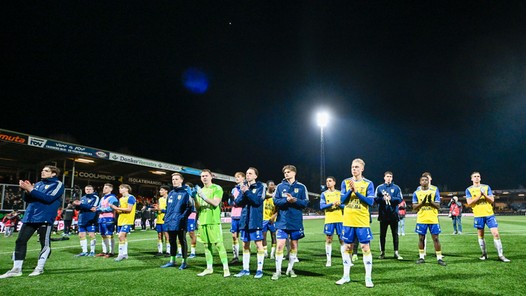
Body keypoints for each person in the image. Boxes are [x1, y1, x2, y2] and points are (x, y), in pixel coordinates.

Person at [0, 165, 65, 278]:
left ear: (53, 174)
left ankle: (39, 268)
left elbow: (48, 198)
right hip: (31, 216)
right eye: (42, 170)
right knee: (20, 241)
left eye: (46, 171)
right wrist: (27, 190)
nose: (42, 172)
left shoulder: (58, 184)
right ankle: (16, 269)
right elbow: (28, 199)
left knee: (44, 243)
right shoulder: (39, 184)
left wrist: (31, 189)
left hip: (45, 216)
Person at [336, 158, 375, 288]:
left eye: (357, 167)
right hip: (347, 221)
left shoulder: (368, 183)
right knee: (347, 248)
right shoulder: (345, 182)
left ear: (362, 169)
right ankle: (346, 276)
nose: (354, 169)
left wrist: (356, 192)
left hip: (362, 221)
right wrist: (350, 190)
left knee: (365, 248)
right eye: (353, 167)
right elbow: (342, 200)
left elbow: (370, 202)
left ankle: (368, 278)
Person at [272, 165, 309, 280]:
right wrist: (286, 200)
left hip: (295, 222)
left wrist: (295, 200)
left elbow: (305, 203)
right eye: (285, 173)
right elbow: (275, 201)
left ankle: (290, 269)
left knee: (294, 245)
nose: (286, 174)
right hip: (282, 222)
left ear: (294, 173)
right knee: (280, 246)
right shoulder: (279, 187)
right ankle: (278, 271)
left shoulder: (302, 187)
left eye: (288, 172)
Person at [466, 172, 510, 262]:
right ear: (471, 179)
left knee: (496, 234)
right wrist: (479, 196)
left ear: (480, 178)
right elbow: (469, 203)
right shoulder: (469, 189)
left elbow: (492, 200)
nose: (476, 178)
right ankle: (484, 254)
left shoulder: (486, 187)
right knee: (481, 236)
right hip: (478, 215)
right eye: (475, 177)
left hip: (489, 214)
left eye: (478, 176)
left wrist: (484, 195)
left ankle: (501, 255)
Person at [193, 169, 230, 277]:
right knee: (206, 245)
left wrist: (202, 196)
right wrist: (194, 198)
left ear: (211, 177)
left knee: (219, 244)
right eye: (202, 176)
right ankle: (209, 268)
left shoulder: (217, 188)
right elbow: (198, 208)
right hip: (202, 220)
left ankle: (226, 268)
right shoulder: (201, 190)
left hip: (213, 221)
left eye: (206, 176)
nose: (204, 177)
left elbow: (215, 203)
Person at [234, 167, 266, 279]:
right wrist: (243, 191)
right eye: (247, 173)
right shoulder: (243, 187)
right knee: (245, 245)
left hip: (255, 220)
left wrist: (247, 191)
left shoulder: (261, 187)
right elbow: (237, 202)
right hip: (244, 220)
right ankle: (245, 269)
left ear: (255, 176)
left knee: (258, 245)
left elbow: (257, 201)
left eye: (250, 173)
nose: (248, 175)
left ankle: (259, 270)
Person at [160, 173, 193, 269]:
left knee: (182, 241)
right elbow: (168, 207)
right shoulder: (170, 193)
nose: (174, 181)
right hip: (170, 221)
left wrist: (182, 217)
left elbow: (190, 207)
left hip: (180, 221)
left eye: (176, 179)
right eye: (173, 179)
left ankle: (184, 262)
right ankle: (172, 260)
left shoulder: (186, 193)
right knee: (171, 241)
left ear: (181, 180)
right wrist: (166, 217)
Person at [413, 175, 446, 266]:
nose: (424, 181)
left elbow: (438, 206)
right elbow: (414, 207)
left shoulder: (434, 191)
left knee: (435, 238)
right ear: (420, 182)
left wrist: (430, 202)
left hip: (433, 219)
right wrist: (422, 203)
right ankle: (421, 257)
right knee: (421, 238)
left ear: (429, 182)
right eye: (422, 180)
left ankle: (439, 258)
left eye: (426, 180)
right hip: (421, 219)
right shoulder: (416, 193)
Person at [375, 171, 403, 260]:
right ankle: (382, 252)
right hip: (383, 215)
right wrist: (383, 199)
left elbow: (400, 199)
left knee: (395, 235)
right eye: (387, 176)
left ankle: (396, 253)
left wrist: (391, 198)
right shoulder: (379, 188)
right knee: (382, 235)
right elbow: (375, 199)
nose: (389, 178)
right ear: (384, 177)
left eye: (390, 176)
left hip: (394, 215)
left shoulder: (396, 188)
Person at [319, 176, 344, 267]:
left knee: (342, 239)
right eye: (327, 181)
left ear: (334, 182)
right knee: (329, 239)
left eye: (330, 181)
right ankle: (328, 260)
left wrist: (339, 205)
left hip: (340, 219)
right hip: (329, 220)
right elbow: (321, 206)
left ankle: (345, 259)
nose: (328, 183)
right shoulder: (324, 194)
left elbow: (345, 206)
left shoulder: (340, 193)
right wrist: (332, 204)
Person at [110, 184, 137, 262]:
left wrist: (117, 208)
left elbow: (129, 209)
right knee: (123, 237)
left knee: (120, 236)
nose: (120, 189)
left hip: (128, 220)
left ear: (127, 189)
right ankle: (125, 254)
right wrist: (114, 208)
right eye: (119, 188)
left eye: (121, 188)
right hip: (121, 220)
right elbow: (119, 211)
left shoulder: (131, 197)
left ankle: (120, 255)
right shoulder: (121, 199)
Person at [73, 185, 100, 257]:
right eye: (87, 189)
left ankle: (92, 251)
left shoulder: (95, 198)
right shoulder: (82, 198)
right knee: (81, 235)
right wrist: (76, 205)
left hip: (91, 219)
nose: (88, 190)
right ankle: (84, 251)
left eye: (90, 189)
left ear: (93, 190)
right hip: (82, 219)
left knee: (91, 235)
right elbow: (78, 209)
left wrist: (81, 204)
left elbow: (93, 208)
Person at [96, 183, 119, 258]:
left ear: (110, 189)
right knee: (103, 235)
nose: (104, 189)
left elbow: (112, 208)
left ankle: (111, 252)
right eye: (104, 187)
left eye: (106, 188)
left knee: (109, 234)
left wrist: (100, 209)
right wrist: (98, 209)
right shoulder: (102, 198)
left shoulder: (113, 198)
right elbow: (99, 206)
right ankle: (104, 251)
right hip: (101, 218)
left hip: (109, 218)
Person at [229, 172, 245, 264]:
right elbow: (231, 203)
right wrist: (231, 199)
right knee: (234, 236)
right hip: (234, 216)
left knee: (244, 238)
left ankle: (246, 256)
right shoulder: (233, 189)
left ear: (243, 178)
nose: (237, 178)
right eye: (236, 177)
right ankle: (236, 257)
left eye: (238, 177)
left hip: (242, 216)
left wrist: (235, 201)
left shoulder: (245, 188)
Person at [262, 180, 277, 259]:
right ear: (267, 186)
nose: (273, 186)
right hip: (264, 219)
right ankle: (265, 252)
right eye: (271, 185)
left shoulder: (276, 197)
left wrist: (274, 216)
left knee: (273, 236)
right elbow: (265, 196)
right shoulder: (263, 195)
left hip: (272, 219)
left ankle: (272, 253)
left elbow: (279, 209)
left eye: (273, 185)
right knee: (263, 236)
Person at [154, 186, 171, 256]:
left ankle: (168, 251)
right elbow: (158, 209)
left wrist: (161, 210)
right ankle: (160, 251)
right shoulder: (160, 199)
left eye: (161, 190)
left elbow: (170, 210)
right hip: (159, 219)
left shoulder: (170, 198)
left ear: (166, 191)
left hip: (166, 219)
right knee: (159, 235)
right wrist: (156, 209)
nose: (160, 191)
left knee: (166, 235)